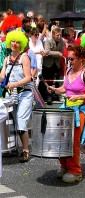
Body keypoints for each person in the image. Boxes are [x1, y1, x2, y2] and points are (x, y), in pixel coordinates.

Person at [47, 44, 85, 183]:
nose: (70, 61)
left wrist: (79, 97)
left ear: (81, 58)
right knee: (61, 140)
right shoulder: (69, 70)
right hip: (65, 109)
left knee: (73, 142)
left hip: (79, 111)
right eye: (68, 58)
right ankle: (64, 166)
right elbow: (65, 88)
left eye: (73, 58)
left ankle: (75, 171)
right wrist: (55, 89)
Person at [0, 30, 33, 162]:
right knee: (11, 121)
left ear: (22, 44)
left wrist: (14, 84)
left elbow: (28, 77)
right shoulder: (7, 59)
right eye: (12, 41)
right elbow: (2, 76)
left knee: (21, 120)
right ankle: (12, 148)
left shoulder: (24, 57)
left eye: (17, 42)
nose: (14, 44)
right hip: (11, 94)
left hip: (24, 93)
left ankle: (25, 150)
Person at [39, 27, 64, 104]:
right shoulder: (48, 41)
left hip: (56, 63)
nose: (59, 37)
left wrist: (56, 53)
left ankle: (51, 95)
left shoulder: (62, 41)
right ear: (53, 35)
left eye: (60, 35)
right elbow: (47, 51)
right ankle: (44, 96)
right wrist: (57, 53)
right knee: (45, 80)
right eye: (57, 35)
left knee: (52, 80)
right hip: (47, 64)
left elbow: (62, 51)